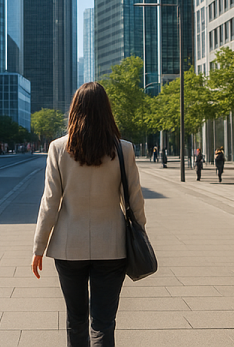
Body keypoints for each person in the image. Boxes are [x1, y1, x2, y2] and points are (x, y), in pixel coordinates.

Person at [31, 82, 146, 346]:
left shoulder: (59, 148)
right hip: (113, 246)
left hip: (69, 247)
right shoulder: (123, 149)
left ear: (75, 109)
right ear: (107, 110)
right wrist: (141, 234)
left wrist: (39, 247)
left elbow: (50, 202)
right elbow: (135, 201)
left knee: (76, 319)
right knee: (104, 323)